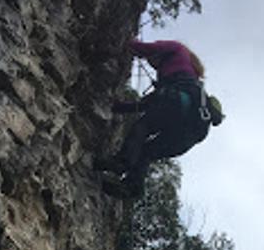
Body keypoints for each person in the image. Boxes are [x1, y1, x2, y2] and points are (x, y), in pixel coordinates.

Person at [95, 39, 224, 198]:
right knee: (147, 152)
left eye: (152, 61)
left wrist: (128, 43)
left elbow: (150, 48)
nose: (151, 64)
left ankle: (120, 163)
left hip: (179, 107)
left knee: (143, 127)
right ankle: (132, 187)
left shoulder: (178, 50)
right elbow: (144, 104)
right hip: (195, 130)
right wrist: (117, 107)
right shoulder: (190, 85)